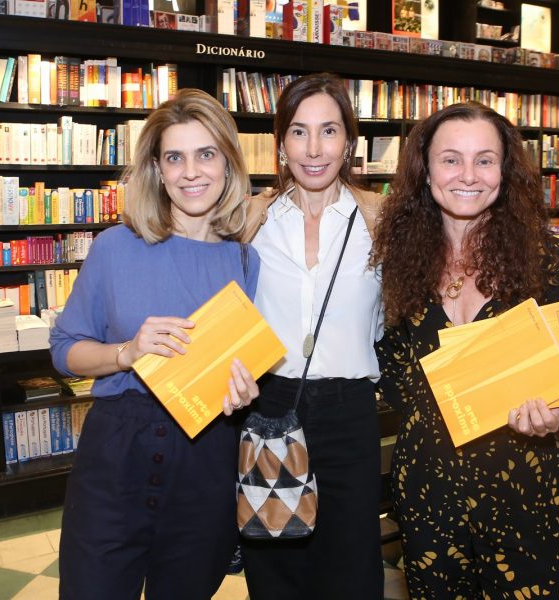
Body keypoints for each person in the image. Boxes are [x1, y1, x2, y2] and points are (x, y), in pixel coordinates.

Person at [49, 88, 260, 600]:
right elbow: (64, 348)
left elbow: (248, 360)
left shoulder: (246, 261)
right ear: (158, 169)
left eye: (206, 154)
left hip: (207, 455)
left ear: (229, 163)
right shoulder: (115, 247)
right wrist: (125, 352)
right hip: (117, 451)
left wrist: (245, 390)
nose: (192, 172)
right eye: (175, 157)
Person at [371, 101, 559, 597]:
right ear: (425, 170)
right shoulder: (397, 264)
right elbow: (395, 377)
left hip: (527, 485)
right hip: (428, 491)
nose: (468, 175)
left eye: (485, 159)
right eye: (451, 159)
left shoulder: (550, 263)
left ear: (505, 171)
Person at [241, 72, 385, 599]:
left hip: (350, 413)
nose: (314, 148)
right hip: (272, 403)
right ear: (280, 144)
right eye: (299, 132)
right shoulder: (252, 220)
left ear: (349, 141)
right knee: (276, 566)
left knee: (351, 568)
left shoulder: (379, 219)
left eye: (328, 131)